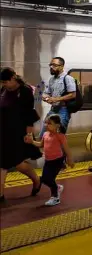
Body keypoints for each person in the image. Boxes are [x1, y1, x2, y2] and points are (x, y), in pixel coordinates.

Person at [0, 68, 42, 202]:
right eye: (2, 82)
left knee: (18, 163)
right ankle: (0, 194)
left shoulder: (25, 91)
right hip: (4, 131)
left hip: (18, 132)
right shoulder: (3, 91)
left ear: (13, 78)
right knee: (3, 163)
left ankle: (36, 180)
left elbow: (29, 114)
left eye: (6, 81)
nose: (4, 84)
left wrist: (29, 134)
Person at [25, 114, 74, 206]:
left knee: (49, 179)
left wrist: (70, 159)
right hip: (48, 161)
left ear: (57, 125)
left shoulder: (60, 136)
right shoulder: (45, 134)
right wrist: (32, 142)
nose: (46, 125)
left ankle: (55, 198)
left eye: (49, 123)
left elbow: (66, 149)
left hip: (57, 161)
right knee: (45, 179)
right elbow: (40, 145)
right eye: (46, 123)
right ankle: (57, 188)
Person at [40, 57, 76, 138]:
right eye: (51, 65)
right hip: (53, 110)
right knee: (43, 135)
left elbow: (73, 94)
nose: (51, 67)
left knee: (59, 137)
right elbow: (46, 93)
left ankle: (61, 151)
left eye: (54, 65)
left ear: (62, 66)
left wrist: (56, 99)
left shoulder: (68, 79)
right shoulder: (51, 79)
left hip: (63, 111)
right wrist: (45, 98)